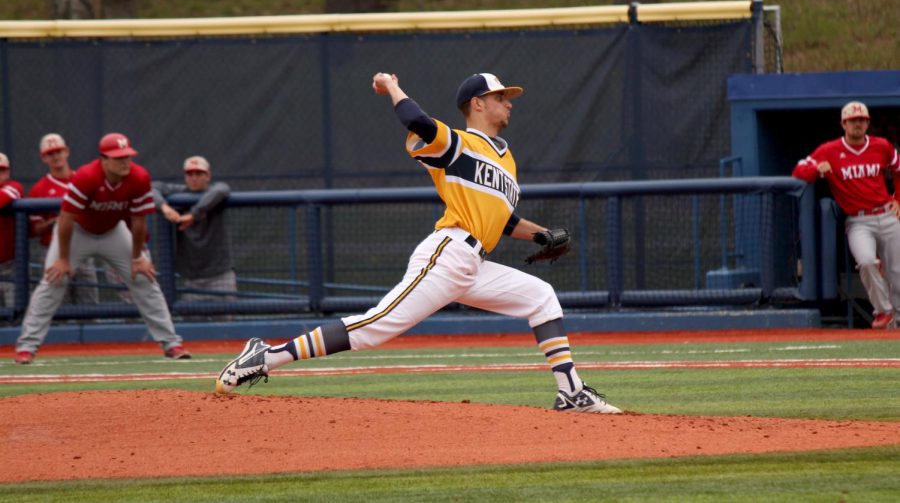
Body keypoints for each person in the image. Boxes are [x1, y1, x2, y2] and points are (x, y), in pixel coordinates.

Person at [215, 72, 623, 414]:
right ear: (478, 103)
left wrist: (539, 234)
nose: (509, 103)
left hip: (476, 264)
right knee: (375, 328)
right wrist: (393, 87)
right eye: (500, 96)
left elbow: (502, 219)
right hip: (447, 254)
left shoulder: (506, 159)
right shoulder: (458, 143)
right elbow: (420, 123)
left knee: (541, 297)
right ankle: (266, 356)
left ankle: (571, 392)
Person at [14, 133, 191, 364]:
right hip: (77, 231)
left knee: (145, 278)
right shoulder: (88, 176)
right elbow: (66, 219)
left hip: (112, 231)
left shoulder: (138, 176)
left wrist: (138, 257)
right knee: (53, 280)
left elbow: (138, 222)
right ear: (103, 159)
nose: (125, 162)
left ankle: (172, 343)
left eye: (127, 156)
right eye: (118, 158)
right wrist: (64, 259)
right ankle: (26, 347)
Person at [793, 101, 900, 330]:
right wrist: (816, 169)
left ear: (868, 123)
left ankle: (897, 321)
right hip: (858, 219)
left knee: (896, 271)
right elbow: (799, 170)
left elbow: (898, 170)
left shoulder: (881, 146)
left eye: (861, 120)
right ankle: (884, 311)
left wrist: (898, 199)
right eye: (852, 121)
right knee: (866, 261)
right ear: (843, 124)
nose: (857, 124)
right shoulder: (829, 150)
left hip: (886, 213)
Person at [152, 155, 236, 305]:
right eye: (190, 174)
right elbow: (152, 187)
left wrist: (194, 215)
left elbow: (222, 189)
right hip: (192, 279)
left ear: (208, 176)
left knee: (226, 325)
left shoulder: (216, 192)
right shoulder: (178, 192)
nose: (194, 178)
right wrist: (165, 208)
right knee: (193, 324)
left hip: (220, 277)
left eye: (199, 173)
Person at [27, 133, 100, 305]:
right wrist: (57, 220)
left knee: (89, 308)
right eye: (50, 153)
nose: (56, 156)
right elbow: (35, 230)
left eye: (58, 151)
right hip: (53, 252)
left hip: (82, 249)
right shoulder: (39, 189)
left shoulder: (83, 180)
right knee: (60, 309)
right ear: (44, 157)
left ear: (66, 152)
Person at [0, 153, 25, 308]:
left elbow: (4, 197)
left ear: (8, 172)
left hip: (12, 266)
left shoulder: (13, 186)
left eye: (1, 170)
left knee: (15, 314)